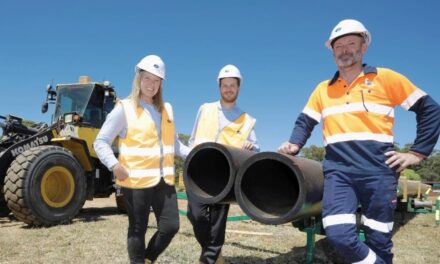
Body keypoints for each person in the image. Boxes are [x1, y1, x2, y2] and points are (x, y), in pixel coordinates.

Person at [278, 19, 440, 264]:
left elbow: (430, 110)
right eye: (338, 46)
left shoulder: (386, 78)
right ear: (332, 53)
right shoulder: (323, 89)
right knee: (339, 234)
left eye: (350, 43)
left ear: (363, 47)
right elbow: (305, 121)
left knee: (379, 238)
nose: (344, 50)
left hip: (379, 172)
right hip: (339, 172)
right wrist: (294, 144)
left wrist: (417, 153)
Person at [94, 55, 189, 264]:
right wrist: (114, 165)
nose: (151, 85)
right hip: (135, 181)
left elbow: (175, 144)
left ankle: (147, 258)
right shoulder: (124, 108)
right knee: (138, 229)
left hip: (164, 180)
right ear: (138, 78)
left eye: (156, 81)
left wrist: (196, 154)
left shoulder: (166, 110)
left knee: (170, 226)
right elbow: (100, 141)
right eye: (147, 78)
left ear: (161, 84)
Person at [187, 64, 259, 264]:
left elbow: (256, 148)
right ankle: (215, 254)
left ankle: (208, 259)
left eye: (232, 85)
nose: (228, 89)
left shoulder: (246, 120)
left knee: (218, 223)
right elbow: (193, 139)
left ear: (238, 88)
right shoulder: (205, 108)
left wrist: (250, 146)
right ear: (219, 87)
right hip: (199, 171)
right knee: (196, 215)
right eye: (224, 85)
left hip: (225, 177)